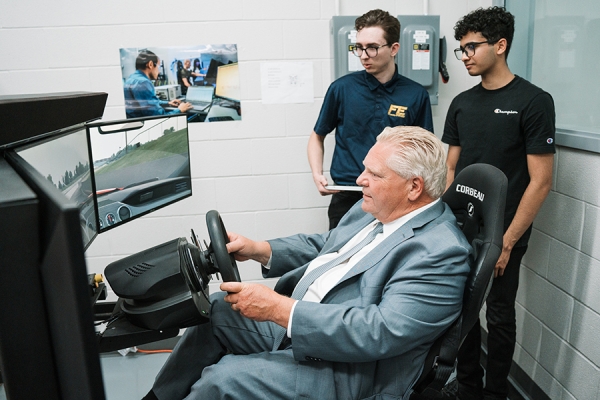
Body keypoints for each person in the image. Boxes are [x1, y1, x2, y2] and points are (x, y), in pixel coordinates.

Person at [143, 126, 472, 400]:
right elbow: (328, 246)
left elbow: (380, 331)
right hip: (304, 325)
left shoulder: (440, 252)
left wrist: (279, 310)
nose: (360, 180)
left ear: (414, 187)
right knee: (214, 311)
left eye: (374, 173)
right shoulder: (373, 208)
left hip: (351, 371)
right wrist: (258, 248)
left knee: (224, 379)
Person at [442, 7, 555, 400]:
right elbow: (451, 169)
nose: (465, 55)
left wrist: (505, 242)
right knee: (463, 312)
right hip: (462, 228)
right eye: (461, 49)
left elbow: (540, 182)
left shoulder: (533, 101)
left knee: (499, 314)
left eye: (471, 47)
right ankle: (469, 387)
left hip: (506, 230)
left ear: (500, 45)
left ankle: (496, 393)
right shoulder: (460, 103)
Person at [308, 9, 434, 230]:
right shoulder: (341, 89)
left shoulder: (415, 94)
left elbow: (425, 153)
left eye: (372, 48)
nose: (364, 55)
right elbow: (317, 136)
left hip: (396, 198)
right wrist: (317, 173)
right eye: (359, 48)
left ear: (394, 48)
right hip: (348, 194)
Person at [123, 50, 192, 118]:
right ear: (150, 65)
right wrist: (180, 110)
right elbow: (158, 116)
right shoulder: (143, 83)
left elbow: (149, 102)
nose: (159, 72)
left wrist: (168, 103)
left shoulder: (131, 78)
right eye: (158, 67)